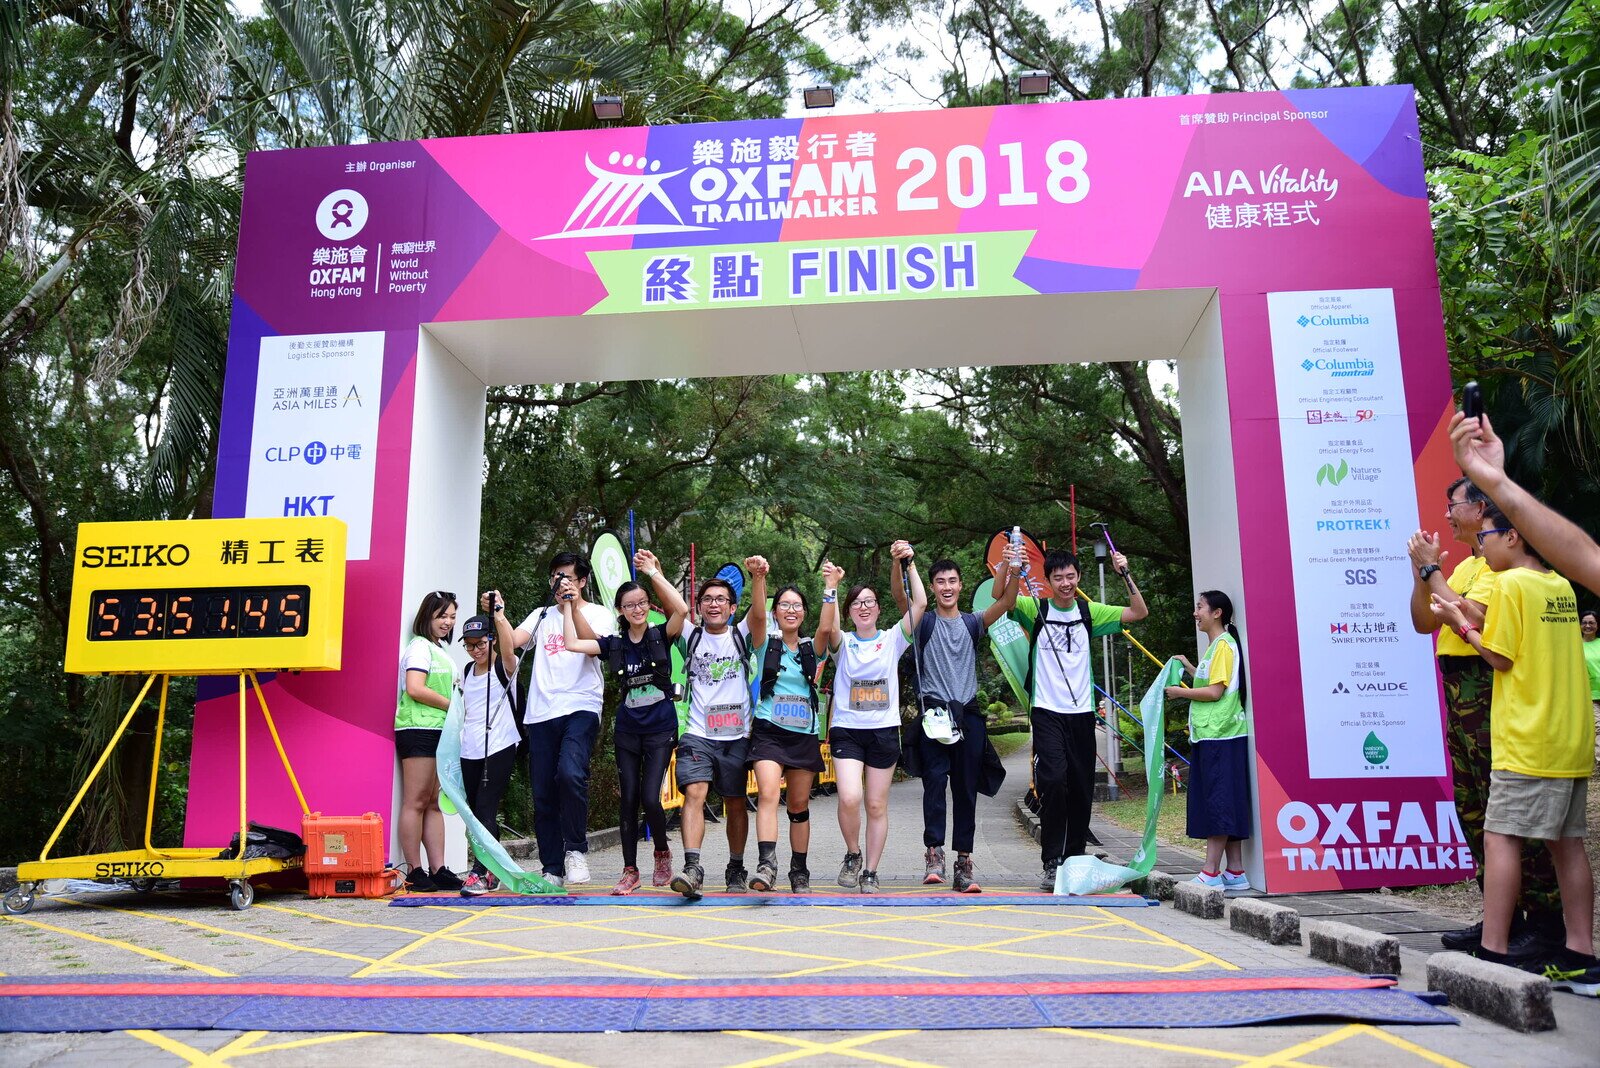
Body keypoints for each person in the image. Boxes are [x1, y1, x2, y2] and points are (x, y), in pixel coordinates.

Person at [1431, 515, 1599, 995]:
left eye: (1485, 538)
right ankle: (1579, 957)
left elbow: (1500, 657)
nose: (1481, 548)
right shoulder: (1562, 585)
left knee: (1499, 837)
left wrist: (1459, 624)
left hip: (1528, 737)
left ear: (1513, 536)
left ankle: (1492, 952)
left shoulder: (1509, 586)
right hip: (1568, 735)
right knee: (1567, 846)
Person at [1411, 477, 1563, 953]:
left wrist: (1432, 569)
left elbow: (1471, 617)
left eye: (1452, 505)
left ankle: (1542, 920)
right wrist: (1422, 574)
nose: (1447, 514)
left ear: (1481, 509)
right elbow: (1423, 621)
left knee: (1509, 810)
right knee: (1474, 809)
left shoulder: (1503, 569)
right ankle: (1501, 917)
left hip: (1488, 690)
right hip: (1458, 693)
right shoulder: (1467, 567)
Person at [1004, 546, 1148, 891]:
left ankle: (1074, 859)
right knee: (1053, 781)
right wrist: (1012, 570)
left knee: (1082, 789)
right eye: (1058, 578)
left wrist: (1124, 573)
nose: (1065, 583)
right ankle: (1052, 861)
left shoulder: (1090, 612)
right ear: (1048, 581)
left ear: (1078, 577)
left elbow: (1139, 612)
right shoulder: (1034, 608)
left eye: (1070, 576)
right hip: (1047, 712)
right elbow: (1005, 603)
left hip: (1082, 713)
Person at [562, 550, 689, 894]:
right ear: (620, 610)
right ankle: (630, 870)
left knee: (651, 797)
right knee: (628, 798)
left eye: (643, 603)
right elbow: (574, 641)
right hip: (628, 731)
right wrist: (570, 604)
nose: (637, 609)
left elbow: (682, 610)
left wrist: (654, 573)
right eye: (630, 605)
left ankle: (662, 853)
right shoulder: (615, 645)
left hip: (660, 728)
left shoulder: (661, 636)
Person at [487, 553, 616, 888]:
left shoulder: (599, 614)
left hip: (581, 706)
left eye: (568, 577)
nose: (561, 583)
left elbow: (595, 647)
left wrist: (572, 607)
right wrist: (499, 615)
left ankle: (575, 849)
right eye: (556, 577)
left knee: (570, 773)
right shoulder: (540, 615)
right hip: (541, 712)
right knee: (543, 791)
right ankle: (552, 867)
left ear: (583, 581)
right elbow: (511, 645)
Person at [899, 554, 1019, 892]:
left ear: (960, 585)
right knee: (934, 781)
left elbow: (1008, 600)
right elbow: (900, 596)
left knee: (966, 789)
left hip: (967, 715)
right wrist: (904, 565)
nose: (947, 587)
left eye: (952, 581)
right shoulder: (923, 621)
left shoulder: (973, 622)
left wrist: (1014, 570)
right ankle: (933, 852)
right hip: (934, 715)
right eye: (940, 582)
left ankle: (964, 862)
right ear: (933, 586)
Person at [815, 542, 927, 894]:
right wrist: (831, 587)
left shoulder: (894, 639)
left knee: (876, 803)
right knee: (849, 797)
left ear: (878, 609)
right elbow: (825, 627)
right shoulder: (842, 641)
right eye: (857, 603)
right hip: (847, 730)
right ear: (849, 611)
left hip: (883, 732)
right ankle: (853, 853)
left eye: (869, 602)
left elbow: (921, 603)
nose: (863, 607)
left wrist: (907, 563)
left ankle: (871, 872)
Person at [669, 558, 769, 898]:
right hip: (697, 733)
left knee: (735, 802)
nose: (714, 604)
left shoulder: (741, 636)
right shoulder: (691, 635)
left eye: (721, 600)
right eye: (708, 599)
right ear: (699, 606)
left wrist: (758, 577)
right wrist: (653, 571)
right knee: (694, 793)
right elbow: (673, 604)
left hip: (736, 737)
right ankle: (693, 867)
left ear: (732, 607)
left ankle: (736, 866)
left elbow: (758, 615)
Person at [1450, 411, 1600, 596]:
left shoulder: (1510, 582)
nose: (1482, 544)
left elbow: (1586, 557)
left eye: (1485, 535)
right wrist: (1498, 483)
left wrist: (1430, 570)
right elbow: (1587, 556)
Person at [1165, 591, 1250, 890]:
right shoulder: (1216, 647)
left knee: (1219, 802)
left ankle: (1211, 872)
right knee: (1226, 799)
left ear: (1217, 613)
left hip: (1220, 736)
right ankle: (1235, 872)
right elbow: (1212, 682)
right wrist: (1189, 667)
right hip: (1214, 735)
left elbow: (1214, 693)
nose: (1195, 613)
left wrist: (1179, 692)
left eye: (1200, 607)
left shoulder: (1224, 646)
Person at [746, 584, 827, 894]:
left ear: (803, 612)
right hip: (769, 732)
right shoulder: (766, 642)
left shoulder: (811, 648)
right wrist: (757, 578)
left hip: (803, 735)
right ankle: (767, 865)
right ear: (775, 611)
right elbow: (755, 616)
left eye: (797, 605)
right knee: (767, 794)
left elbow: (827, 626)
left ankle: (799, 869)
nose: (791, 610)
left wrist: (829, 588)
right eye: (784, 605)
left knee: (798, 805)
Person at [394, 591, 464, 892]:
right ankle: (414, 870)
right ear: (427, 617)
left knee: (434, 802)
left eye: (451, 617)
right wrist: (452, 705)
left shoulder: (439, 650)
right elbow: (414, 688)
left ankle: (438, 869)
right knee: (416, 800)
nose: (447, 622)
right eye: (441, 616)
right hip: (417, 729)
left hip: (440, 732)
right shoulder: (419, 648)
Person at [456, 607, 522, 896]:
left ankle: (479, 872)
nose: (475, 651)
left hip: (499, 745)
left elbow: (509, 650)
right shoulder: (467, 671)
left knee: (485, 808)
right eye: (469, 646)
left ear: (491, 640)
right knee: (476, 813)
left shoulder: (504, 667)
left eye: (481, 644)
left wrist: (499, 616)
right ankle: (493, 870)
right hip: (469, 748)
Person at [1582, 608, 1600, 764]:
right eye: (1584, 622)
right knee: (1598, 726)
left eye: (1591, 623)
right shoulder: (1574, 646)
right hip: (1589, 694)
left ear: (1597, 625)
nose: (1588, 626)